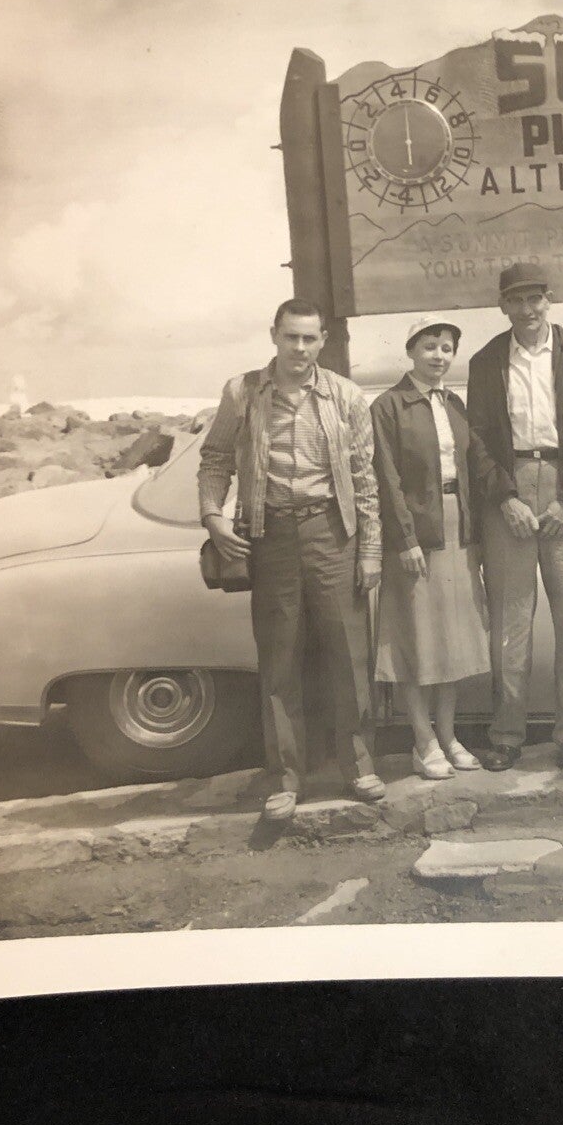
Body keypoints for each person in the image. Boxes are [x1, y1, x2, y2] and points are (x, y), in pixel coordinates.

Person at [198, 298, 385, 822]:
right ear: (274, 335)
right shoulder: (243, 392)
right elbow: (214, 460)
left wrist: (369, 549)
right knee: (279, 658)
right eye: (291, 337)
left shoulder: (345, 395)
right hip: (271, 533)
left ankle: (359, 765)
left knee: (349, 654)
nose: (299, 348)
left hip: (333, 532)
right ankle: (285, 778)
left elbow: (365, 479)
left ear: (323, 340)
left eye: (309, 338)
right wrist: (213, 517)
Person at [465, 260, 563, 771]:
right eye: (516, 300)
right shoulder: (485, 362)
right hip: (509, 491)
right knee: (510, 622)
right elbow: (477, 438)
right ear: (503, 305)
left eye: (535, 299)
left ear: (550, 299)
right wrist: (505, 498)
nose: (527, 310)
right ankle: (506, 733)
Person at [371, 316, 489, 780]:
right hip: (415, 534)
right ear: (410, 350)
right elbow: (386, 478)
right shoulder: (389, 406)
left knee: (452, 640)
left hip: (457, 528)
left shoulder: (455, 404)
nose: (439, 356)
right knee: (418, 639)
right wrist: (405, 540)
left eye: (446, 348)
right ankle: (422, 742)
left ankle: (448, 735)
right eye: (429, 346)